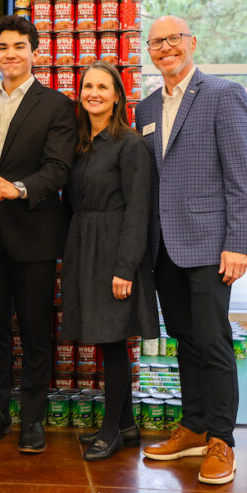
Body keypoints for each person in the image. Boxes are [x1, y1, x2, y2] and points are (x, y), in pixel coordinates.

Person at [135, 15, 247, 485]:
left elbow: (244, 176)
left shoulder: (223, 95)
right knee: (184, 339)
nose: (165, 48)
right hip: (164, 247)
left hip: (211, 246)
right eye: (156, 42)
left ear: (191, 42)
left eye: (173, 39)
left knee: (212, 340)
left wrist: (239, 244)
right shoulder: (146, 108)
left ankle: (222, 440)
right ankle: (193, 426)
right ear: (150, 51)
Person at [0, 15, 75, 455]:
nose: (9, 54)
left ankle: (32, 418)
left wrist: (17, 189)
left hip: (34, 234)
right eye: (2, 47)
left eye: (18, 46)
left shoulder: (56, 105)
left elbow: (58, 169)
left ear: (34, 51)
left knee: (36, 331)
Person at [59, 61, 158, 461]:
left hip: (115, 250)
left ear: (117, 95)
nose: (93, 92)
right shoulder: (83, 143)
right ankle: (129, 426)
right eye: (87, 86)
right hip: (86, 246)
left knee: (114, 343)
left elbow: (139, 210)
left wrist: (125, 268)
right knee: (104, 337)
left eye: (103, 86)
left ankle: (110, 431)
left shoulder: (130, 144)